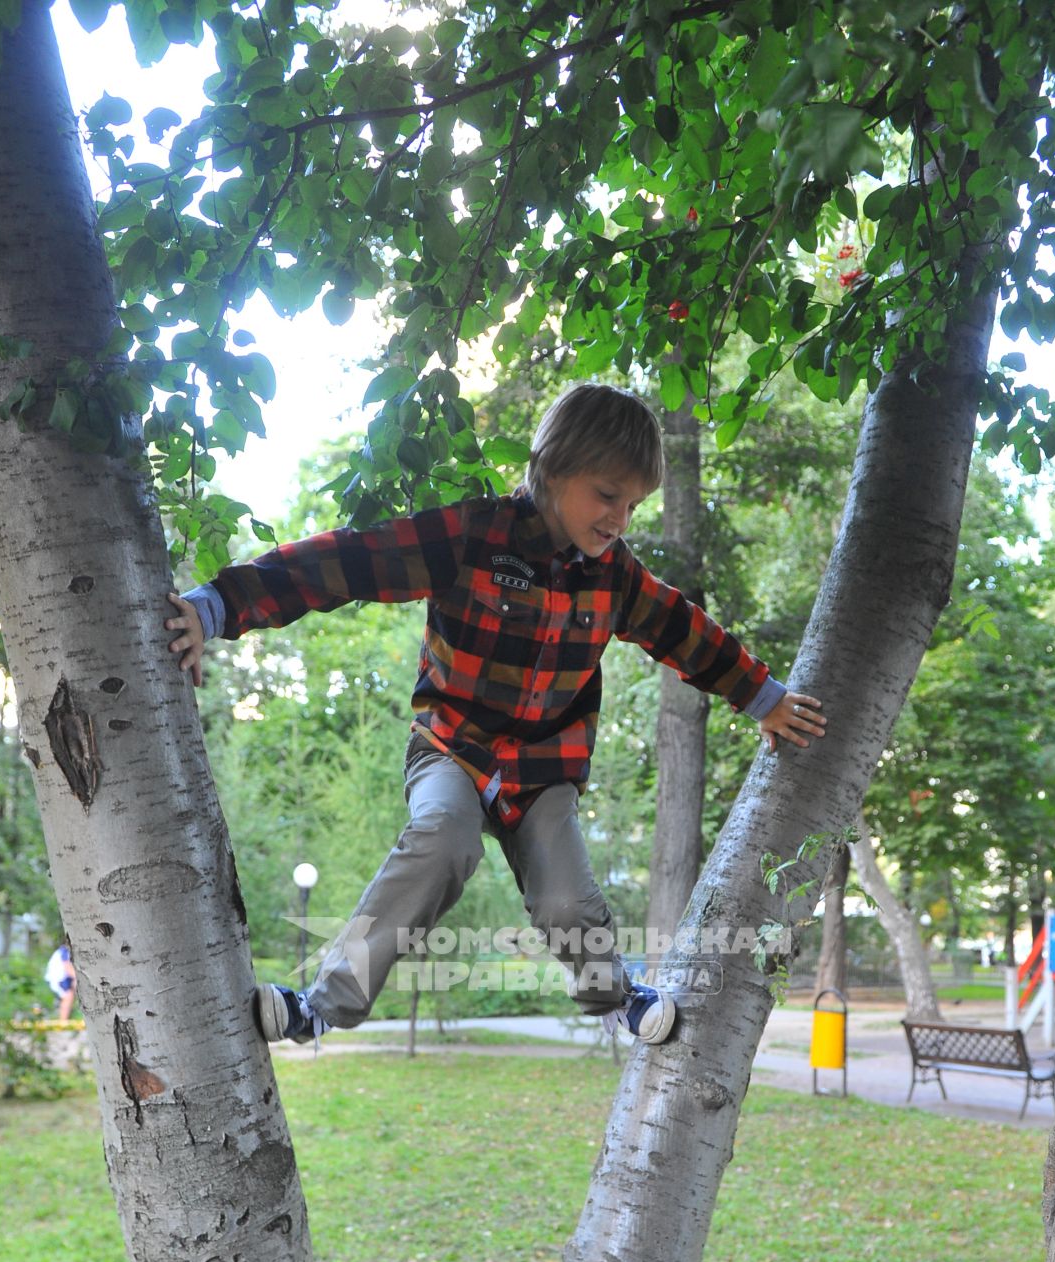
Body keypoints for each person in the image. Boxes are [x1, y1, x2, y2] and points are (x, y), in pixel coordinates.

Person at [164, 384, 825, 1047]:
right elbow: (344, 562)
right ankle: (321, 1007)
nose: (620, 517)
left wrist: (763, 699)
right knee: (443, 840)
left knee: (566, 901)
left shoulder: (614, 577)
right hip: (452, 747)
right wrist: (216, 607)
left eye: (632, 504)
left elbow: (684, 632)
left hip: (544, 768)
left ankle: (615, 996)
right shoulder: (470, 537)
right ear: (553, 467)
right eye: (606, 495)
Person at [44, 939, 77, 1022]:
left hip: (60, 978)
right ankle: (63, 1022)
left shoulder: (64, 950)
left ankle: (65, 1018)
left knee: (69, 994)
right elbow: (68, 967)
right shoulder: (65, 951)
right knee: (68, 995)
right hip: (58, 979)